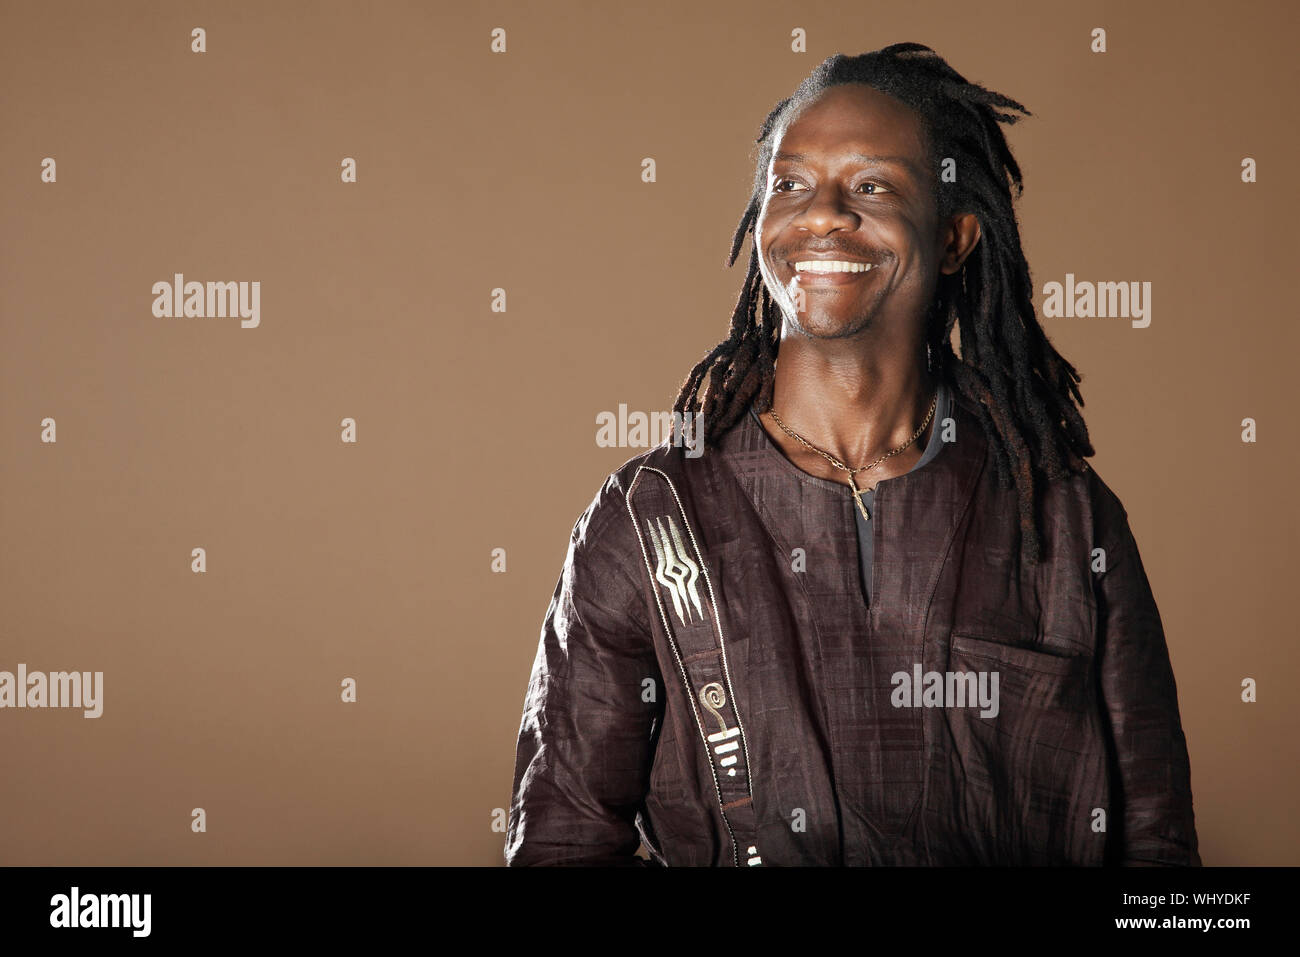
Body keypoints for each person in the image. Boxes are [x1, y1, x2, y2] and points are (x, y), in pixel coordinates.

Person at [505, 43, 1200, 866]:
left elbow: (1157, 849)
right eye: (790, 184)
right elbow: (563, 841)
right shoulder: (652, 517)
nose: (824, 214)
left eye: (871, 186)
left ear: (955, 237)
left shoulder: (1065, 516)